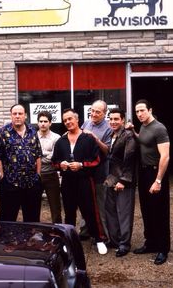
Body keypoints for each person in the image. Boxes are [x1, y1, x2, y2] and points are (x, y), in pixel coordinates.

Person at [52, 108, 107, 255]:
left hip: (85, 181)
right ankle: (68, 240)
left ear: (77, 120)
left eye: (70, 119)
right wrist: (61, 165)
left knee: (90, 211)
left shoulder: (88, 138)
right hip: (68, 182)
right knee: (69, 213)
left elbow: (97, 160)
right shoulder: (61, 141)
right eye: (65, 120)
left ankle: (99, 239)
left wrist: (81, 165)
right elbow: (54, 161)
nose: (68, 122)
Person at [129, 99, 170, 265]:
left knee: (159, 212)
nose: (139, 114)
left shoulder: (159, 128)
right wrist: (133, 132)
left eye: (142, 111)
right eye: (137, 111)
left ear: (150, 110)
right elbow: (144, 142)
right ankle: (151, 243)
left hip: (156, 173)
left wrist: (158, 180)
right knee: (146, 210)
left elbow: (165, 156)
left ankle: (163, 248)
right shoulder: (143, 126)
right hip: (144, 172)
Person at [0, 104, 42, 222]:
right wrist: (2, 176)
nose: (17, 116)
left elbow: (38, 153)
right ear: (11, 116)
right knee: (8, 219)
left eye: (20, 114)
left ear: (25, 116)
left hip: (31, 183)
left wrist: (38, 175)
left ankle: (30, 240)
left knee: (32, 218)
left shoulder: (32, 131)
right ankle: (8, 240)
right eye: (14, 114)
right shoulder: (2, 133)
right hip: (10, 183)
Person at [104, 108, 138, 257]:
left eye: (116, 119)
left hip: (124, 180)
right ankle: (114, 240)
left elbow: (130, 159)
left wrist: (123, 180)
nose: (113, 122)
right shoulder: (111, 135)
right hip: (111, 178)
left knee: (124, 213)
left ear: (123, 120)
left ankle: (124, 244)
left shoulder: (128, 135)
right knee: (110, 211)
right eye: (110, 119)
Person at [79, 100, 112, 241]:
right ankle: (85, 230)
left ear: (105, 113)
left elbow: (107, 151)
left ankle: (103, 233)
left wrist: (94, 138)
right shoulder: (86, 123)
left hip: (100, 170)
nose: (93, 114)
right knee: (84, 199)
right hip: (85, 169)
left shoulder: (109, 127)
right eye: (92, 110)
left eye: (98, 112)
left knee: (100, 202)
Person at [37, 111, 62, 223]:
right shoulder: (32, 136)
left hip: (51, 175)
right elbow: (30, 156)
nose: (43, 124)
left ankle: (57, 232)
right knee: (33, 206)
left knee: (55, 206)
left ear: (50, 123)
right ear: (38, 123)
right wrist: (46, 155)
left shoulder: (56, 138)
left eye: (45, 121)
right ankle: (34, 230)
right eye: (41, 121)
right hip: (35, 175)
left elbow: (54, 157)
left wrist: (39, 158)